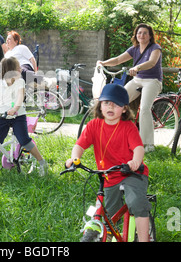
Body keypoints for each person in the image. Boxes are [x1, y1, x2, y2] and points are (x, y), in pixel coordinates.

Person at [65, 83, 151, 241]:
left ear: (124, 108)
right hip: (109, 176)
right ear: (100, 105)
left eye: (116, 104)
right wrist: (74, 158)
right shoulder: (93, 126)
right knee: (110, 215)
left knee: (136, 202)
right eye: (106, 103)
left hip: (131, 172)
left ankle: (145, 238)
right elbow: (79, 145)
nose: (110, 107)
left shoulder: (128, 127)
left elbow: (138, 148)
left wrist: (135, 161)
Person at [0, 57, 48, 176]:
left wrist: (14, 108)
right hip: (3, 117)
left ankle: (42, 162)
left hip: (18, 116)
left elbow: (20, 97)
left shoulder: (20, 82)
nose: (21, 69)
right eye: (18, 68)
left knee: (24, 140)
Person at [97, 23, 162, 152]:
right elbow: (117, 60)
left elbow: (152, 62)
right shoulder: (134, 49)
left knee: (144, 108)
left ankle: (148, 144)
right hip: (137, 80)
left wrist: (138, 67)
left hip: (152, 81)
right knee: (118, 101)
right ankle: (114, 135)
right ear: (135, 35)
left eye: (144, 33)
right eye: (139, 33)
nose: (141, 35)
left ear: (150, 36)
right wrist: (103, 63)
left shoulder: (155, 48)